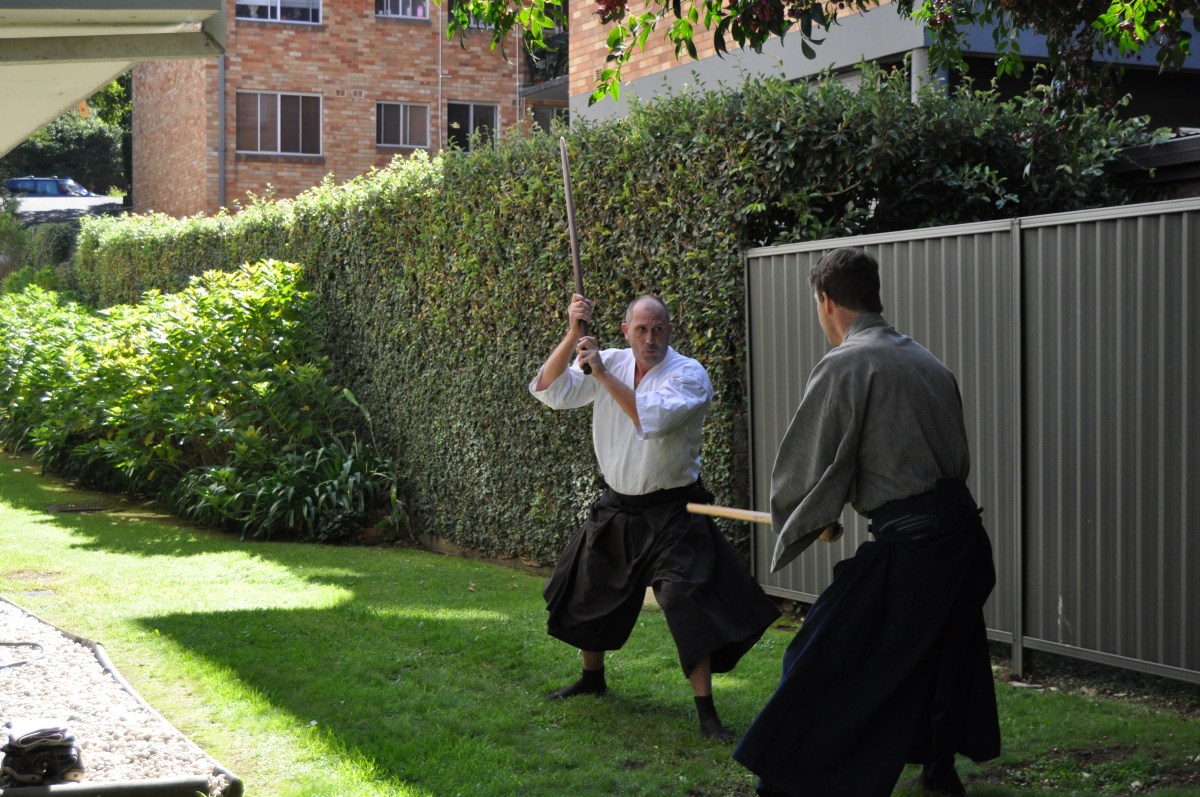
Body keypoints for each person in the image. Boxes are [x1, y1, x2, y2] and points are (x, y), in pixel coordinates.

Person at [732, 248, 1001, 796]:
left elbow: (808, 463)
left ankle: (792, 782)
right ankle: (939, 769)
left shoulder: (847, 363)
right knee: (943, 648)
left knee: (822, 654)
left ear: (826, 301)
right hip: (961, 539)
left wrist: (806, 515)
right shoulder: (928, 361)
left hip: (913, 543)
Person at [530, 292, 780, 741]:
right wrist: (572, 336)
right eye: (641, 330)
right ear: (626, 332)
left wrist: (601, 373)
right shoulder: (609, 360)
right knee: (591, 588)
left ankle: (706, 712)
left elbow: (652, 421)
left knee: (687, 598)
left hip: (674, 513)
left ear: (669, 330)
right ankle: (592, 678)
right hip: (617, 505)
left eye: (658, 329)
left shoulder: (689, 375)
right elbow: (551, 391)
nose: (650, 338)